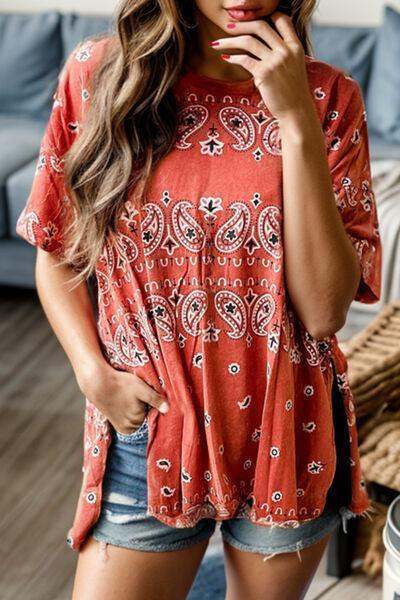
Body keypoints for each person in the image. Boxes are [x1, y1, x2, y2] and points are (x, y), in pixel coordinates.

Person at [15, 0, 382, 598]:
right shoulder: (100, 75)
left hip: (288, 425)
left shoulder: (329, 99)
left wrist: (294, 119)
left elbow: (323, 310)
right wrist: (93, 374)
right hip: (149, 428)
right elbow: (57, 249)